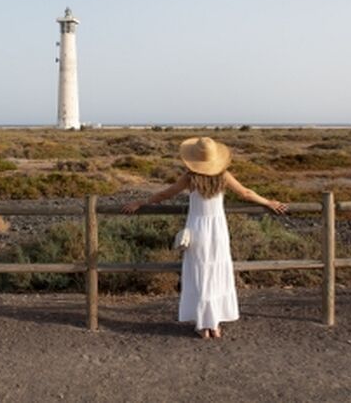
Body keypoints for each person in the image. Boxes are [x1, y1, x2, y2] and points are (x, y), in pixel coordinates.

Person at [122, 137, 288, 339]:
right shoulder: (223, 176)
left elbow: (166, 194)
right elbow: (245, 193)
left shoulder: (190, 178)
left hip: (197, 228)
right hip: (218, 230)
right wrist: (268, 202)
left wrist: (142, 202)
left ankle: (203, 324)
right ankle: (214, 324)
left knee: (200, 273)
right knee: (216, 272)